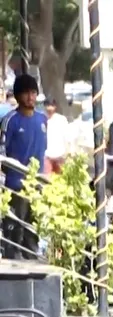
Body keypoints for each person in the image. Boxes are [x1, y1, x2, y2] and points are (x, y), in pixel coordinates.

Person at [1, 74, 47, 259]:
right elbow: (2, 152)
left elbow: (44, 148)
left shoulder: (42, 119)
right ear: (18, 96)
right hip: (15, 184)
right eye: (26, 93)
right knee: (15, 225)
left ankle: (32, 255)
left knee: (33, 225)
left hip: (37, 183)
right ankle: (13, 255)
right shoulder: (10, 120)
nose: (30, 97)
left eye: (33, 92)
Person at [44, 98, 69, 174]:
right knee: (46, 180)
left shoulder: (61, 119)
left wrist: (67, 152)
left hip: (60, 154)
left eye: (52, 106)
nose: (50, 108)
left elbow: (66, 136)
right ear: (44, 106)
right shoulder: (41, 119)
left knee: (60, 179)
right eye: (48, 105)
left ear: (55, 107)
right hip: (46, 155)